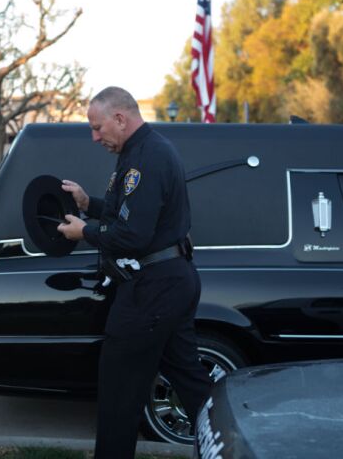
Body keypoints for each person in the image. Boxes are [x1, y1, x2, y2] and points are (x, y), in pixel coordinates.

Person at [57, 86, 212, 458]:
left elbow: (133, 236)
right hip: (170, 282)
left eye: (97, 128)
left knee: (118, 391)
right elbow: (126, 214)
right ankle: (234, 446)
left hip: (152, 289)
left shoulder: (147, 158)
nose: (95, 138)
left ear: (120, 119)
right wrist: (87, 204)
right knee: (191, 382)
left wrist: (84, 232)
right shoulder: (142, 151)